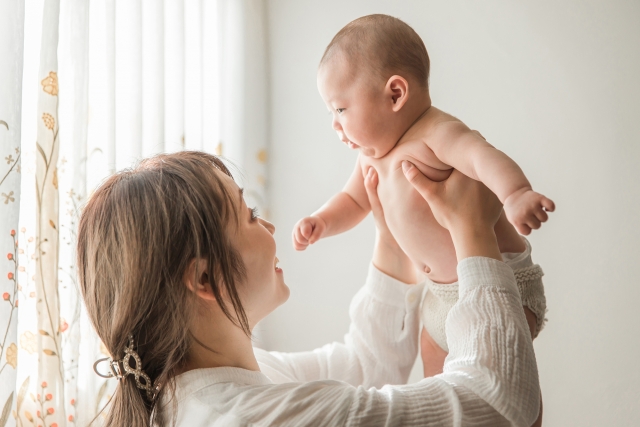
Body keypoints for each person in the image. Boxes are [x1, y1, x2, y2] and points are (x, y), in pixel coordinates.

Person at [79, 151, 540, 426]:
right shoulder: (261, 417)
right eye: (250, 215)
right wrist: (471, 230)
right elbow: (498, 405)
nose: (272, 227)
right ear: (204, 280)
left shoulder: (203, 392)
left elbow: (366, 366)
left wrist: (389, 229)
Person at [291, 14, 552, 379]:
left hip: (499, 283)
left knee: (507, 373)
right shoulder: (371, 155)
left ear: (395, 94)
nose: (334, 124)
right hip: (439, 296)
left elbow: (481, 157)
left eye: (340, 108)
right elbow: (352, 201)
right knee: (435, 366)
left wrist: (516, 193)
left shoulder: (435, 133)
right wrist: (321, 221)